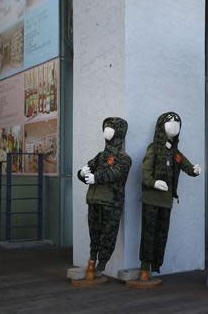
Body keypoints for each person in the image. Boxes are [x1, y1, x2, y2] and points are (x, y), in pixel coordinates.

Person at [138, 111, 201, 282]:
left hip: (166, 202)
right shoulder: (153, 149)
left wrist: (194, 170)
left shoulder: (175, 153)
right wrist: (153, 183)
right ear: (161, 125)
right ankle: (144, 267)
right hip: (151, 199)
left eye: (177, 122)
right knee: (149, 233)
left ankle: (155, 265)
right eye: (170, 121)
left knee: (161, 234)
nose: (174, 124)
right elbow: (145, 173)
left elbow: (186, 165)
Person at [77, 117, 132, 280]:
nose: (107, 131)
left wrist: (96, 177)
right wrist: (81, 173)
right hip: (94, 200)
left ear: (120, 132)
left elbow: (115, 173)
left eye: (112, 128)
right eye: (106, 127)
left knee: (108, 235)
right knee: (94, 233)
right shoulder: (100, 156)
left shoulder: (124, 158)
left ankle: (101, 265)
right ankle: (92, 261)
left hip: (111, 203)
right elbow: (88, 168)